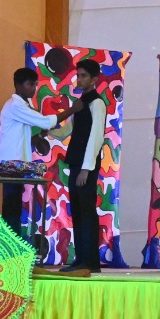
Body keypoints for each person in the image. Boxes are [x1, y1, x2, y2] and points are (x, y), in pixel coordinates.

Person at [0, 68, 70, 235]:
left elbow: (19, 137)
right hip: (10, 165)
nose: (34, 89)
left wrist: (37, 137)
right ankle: (10, 245)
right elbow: (45, 122)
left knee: (13, 207)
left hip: (16, 164)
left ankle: (11, 244)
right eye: (30, 85)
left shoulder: (21, 106)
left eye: (35, 85)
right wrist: (72, 110)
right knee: (11, 208)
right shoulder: (15, 106)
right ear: (18, 85)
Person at [64, 59, 107, 272]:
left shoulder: (97, 103)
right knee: (78, 211)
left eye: (83, 76)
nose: (79, 79)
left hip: (85, 166)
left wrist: (86, 168)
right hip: (77, 162)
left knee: (87, 211)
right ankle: (80, 258)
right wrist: (46, 130)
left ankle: (90, 262)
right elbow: (70, 130)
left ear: (94, 79)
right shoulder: (81, 102)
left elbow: (96, 137)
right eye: (78, 75)